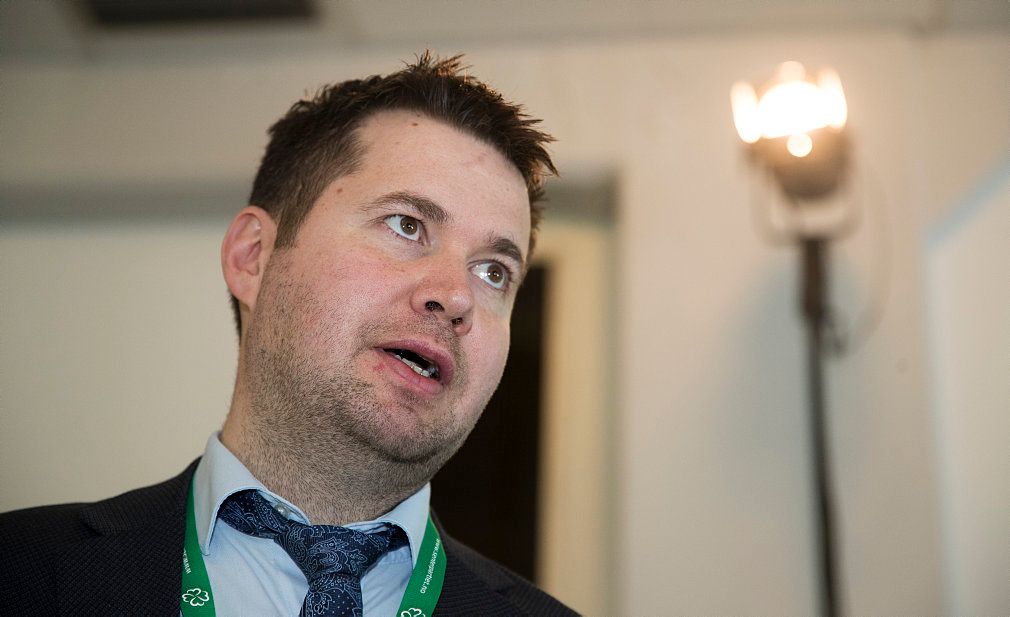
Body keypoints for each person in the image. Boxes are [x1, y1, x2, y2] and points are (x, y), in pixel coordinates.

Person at [0, 53, 576, 617]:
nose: (457, 296)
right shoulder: (17, 570)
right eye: (407, 225)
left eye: (493, 272)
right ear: (253, 257)